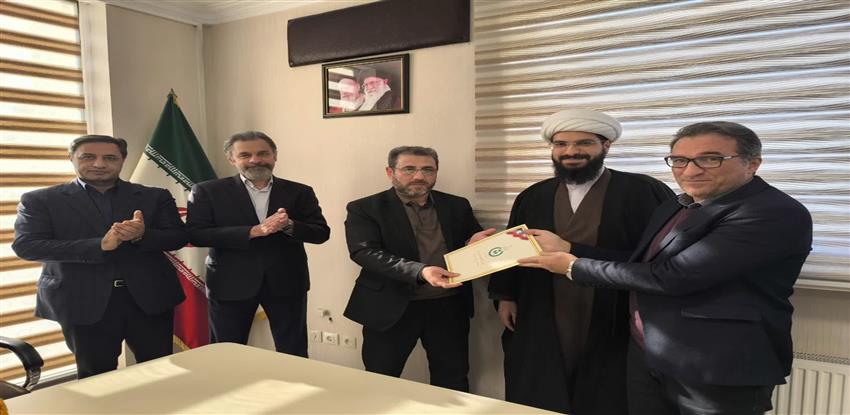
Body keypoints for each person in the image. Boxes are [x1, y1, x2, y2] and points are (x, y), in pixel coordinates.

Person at [518, 121, 813, 415]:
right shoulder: (679, 204)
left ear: (753, 164)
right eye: (680, 160)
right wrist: (569, 248)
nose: (691, 171)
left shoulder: (771, 212)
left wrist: (573, 266)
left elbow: (673, 277)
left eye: (711, 159)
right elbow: (642, 263)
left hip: (716, 365)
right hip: (651, 354)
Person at [488, 108, 675, 414]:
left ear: (606, 146)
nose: (571, 151)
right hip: (542, 302)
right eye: (561, 144)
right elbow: (514, 246)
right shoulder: (533, 195)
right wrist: (506, 295)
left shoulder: (643, 191)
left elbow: (658, 259)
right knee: (539, 384)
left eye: (584, 143)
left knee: (608, 390)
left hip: (612, 305)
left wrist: (572, 250)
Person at [12, 135, 187, 379]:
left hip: (149, 298)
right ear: (71, 158)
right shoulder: (40, 200)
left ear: (123, 160)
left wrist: (141, 235)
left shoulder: (154, 196)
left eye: (110, 158)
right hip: (82, 300)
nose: (99, 164)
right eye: (88, 157)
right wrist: (100, 245)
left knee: (160, 371)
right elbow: (27, 246)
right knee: (95, 377)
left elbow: (178, 237)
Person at [343, 146, 494, 392]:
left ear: (436, 172)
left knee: (453, 378)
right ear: (390, 172)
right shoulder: (365, 208)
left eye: (427, 170)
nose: (419, 176)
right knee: (381, 378)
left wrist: (474, 243)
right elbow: (364, 252)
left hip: (448, 306)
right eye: (409, 169)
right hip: (389, 307)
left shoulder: (456, 205)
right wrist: (421, 271)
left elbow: (469, 243)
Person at [186, 131, 330, 357]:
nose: (255, 160)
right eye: (245, 155)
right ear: (232, 159)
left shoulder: (300, 191)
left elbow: (321, 233)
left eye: (263, 153)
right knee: (227, 353)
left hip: (286, 281)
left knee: (293, 350)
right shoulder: (207, 191)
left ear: (274, 156)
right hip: (230, 282)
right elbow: (196, 235)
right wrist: (252, 232)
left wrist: (289, 225)